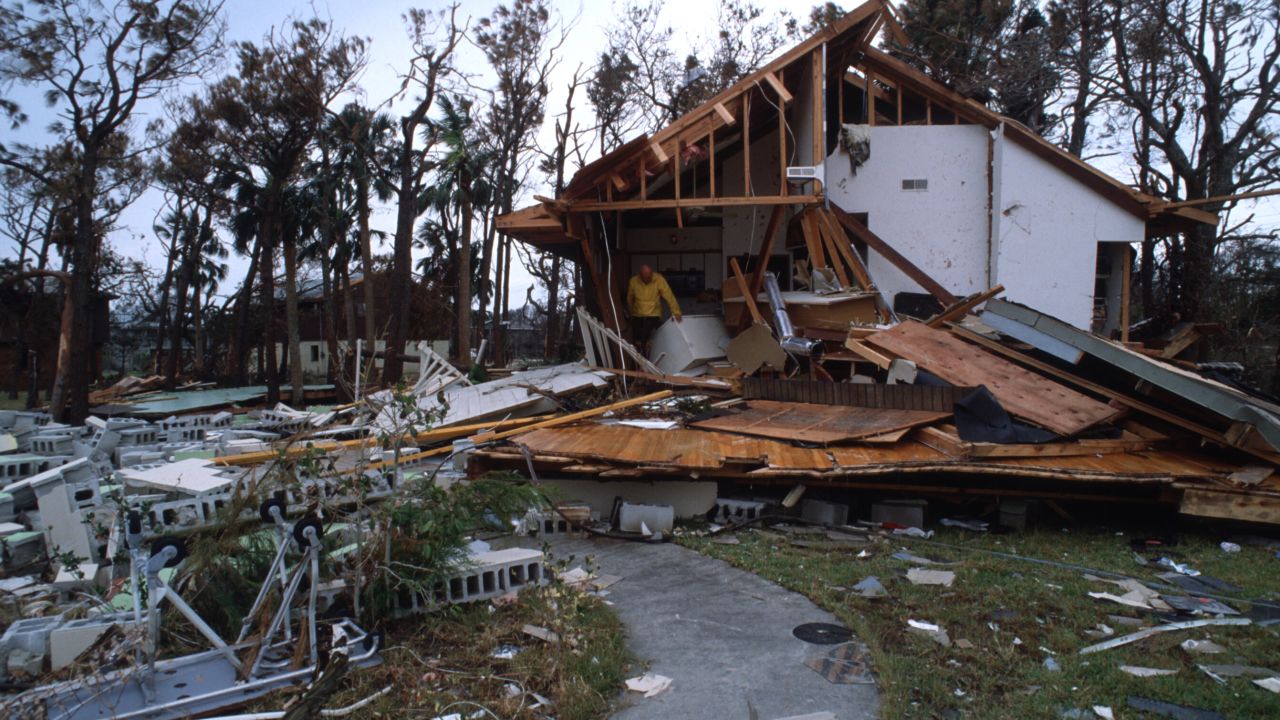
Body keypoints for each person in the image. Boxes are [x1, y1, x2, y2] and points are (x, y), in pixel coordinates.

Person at [626, 264, 681, 352]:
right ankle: (638, 358)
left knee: (652, 338)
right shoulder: (633, 281)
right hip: (637, 314)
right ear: (640, 275)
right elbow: (630, 298)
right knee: (637, 341)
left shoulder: (659, 280)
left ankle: (650, 353)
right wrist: (631, 313)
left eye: (649, 276)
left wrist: (676, 312)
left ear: (652, 273)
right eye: (645, 277)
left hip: (653, 314)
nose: (647, 279)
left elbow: (669, 296)